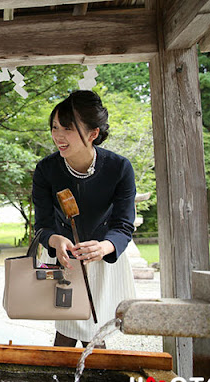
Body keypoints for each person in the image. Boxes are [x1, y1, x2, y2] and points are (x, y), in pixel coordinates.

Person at [32, 90, 136, 348]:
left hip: (103, 259)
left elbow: (123, 225)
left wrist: (104, 247)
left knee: (96, 332)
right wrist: (54, 239)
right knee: (66, 328)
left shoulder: (119, 168)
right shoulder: (46, 169)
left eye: (67, 128)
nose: (58, 135)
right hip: (64, 257)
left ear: (93, 134)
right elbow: (42, 225)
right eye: (55, 127)